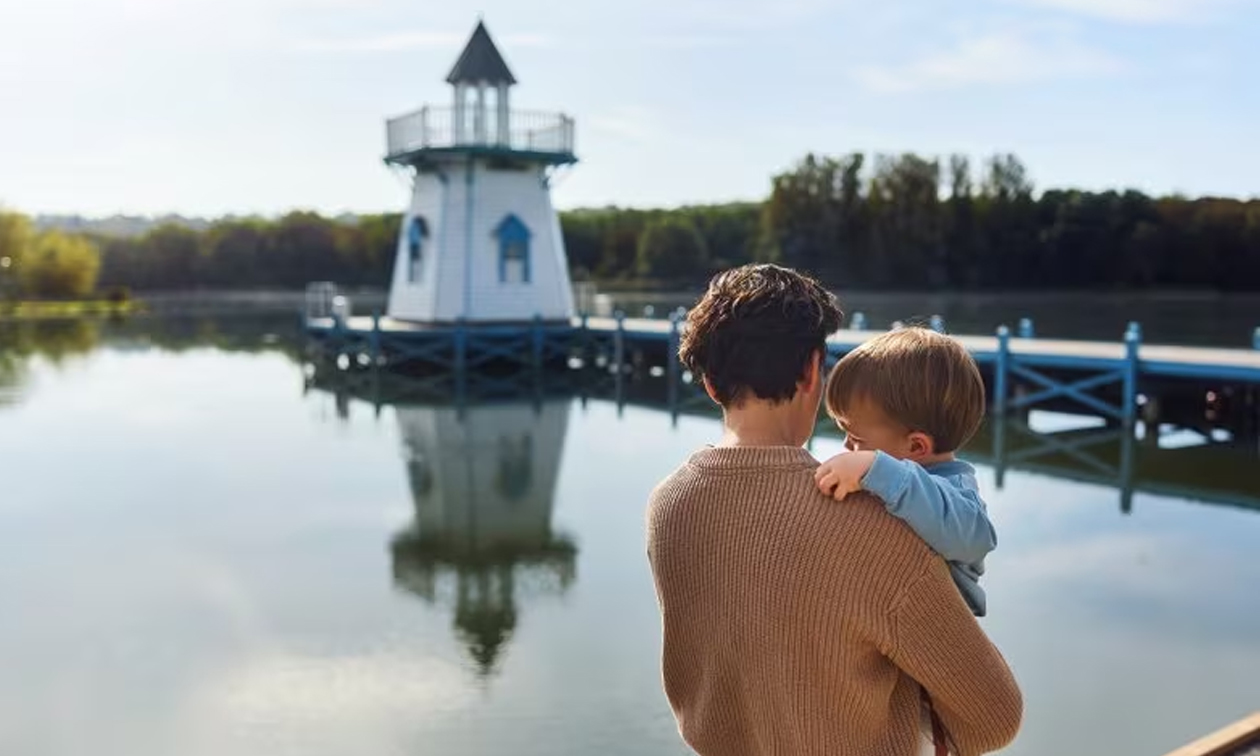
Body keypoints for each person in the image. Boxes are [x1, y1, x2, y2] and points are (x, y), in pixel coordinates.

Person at [646, 264, 1022, 756]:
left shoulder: (668, 504)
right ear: (811, 371)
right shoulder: (873, 525)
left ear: (712, 385)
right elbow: (994, 718)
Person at [813, 327, 996, 616]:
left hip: (939, 636)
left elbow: (978, 539)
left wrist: (877, 468)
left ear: (916, 446)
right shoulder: (887, 479)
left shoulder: (956, 490)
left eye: (858, 439)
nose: (847, 446)